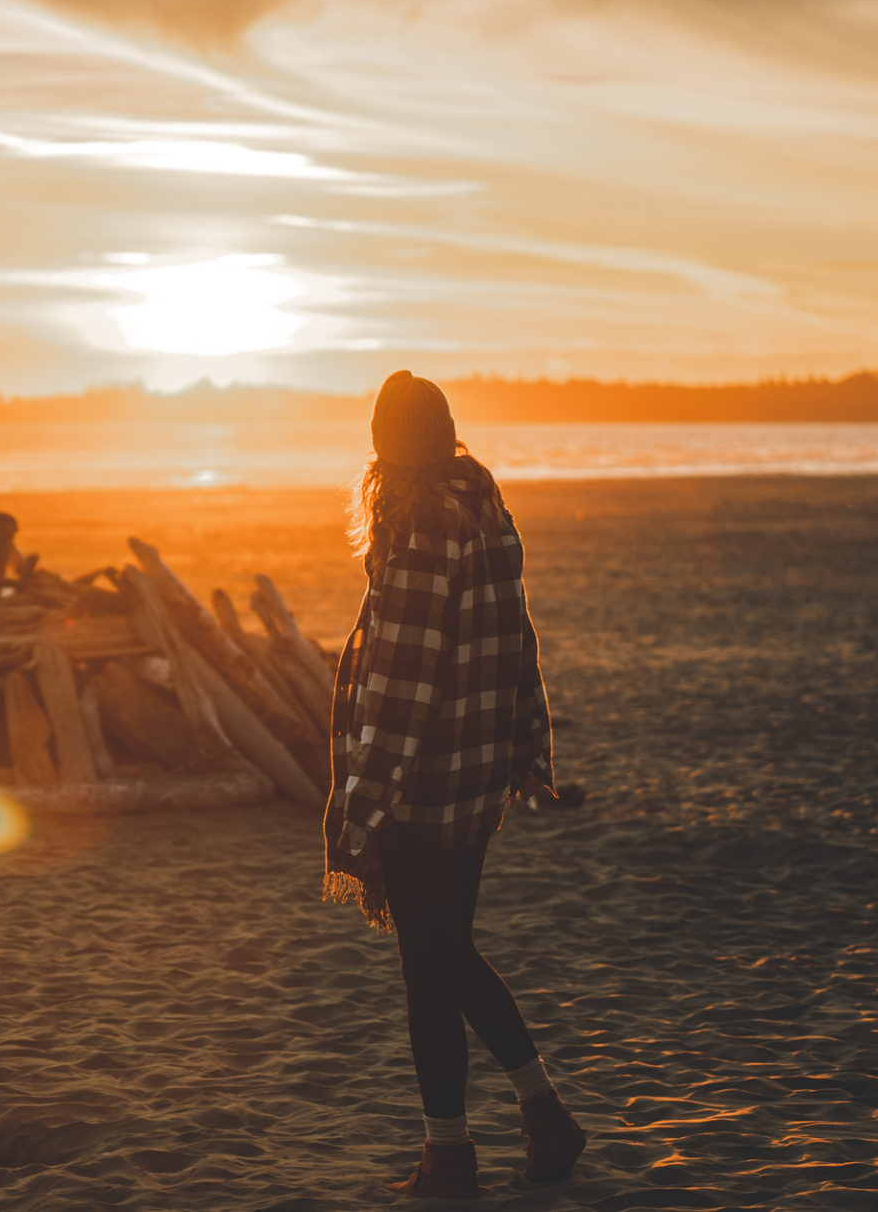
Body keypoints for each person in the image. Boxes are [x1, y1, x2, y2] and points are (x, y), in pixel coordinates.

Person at [323, 371, 586, 1200]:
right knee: (449, 954)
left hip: (424, 786)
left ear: (385, 446)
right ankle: (543, 1113)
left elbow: (403, 674)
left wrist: (362, 806)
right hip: (473, 783)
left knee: (429, 973)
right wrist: (522, 749)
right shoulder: (483, 506)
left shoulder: (420, 524)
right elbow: (519, 637)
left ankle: (449, 1157)